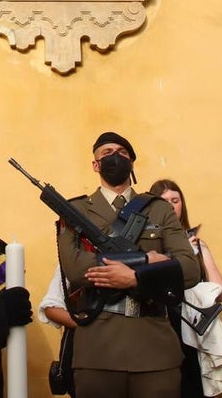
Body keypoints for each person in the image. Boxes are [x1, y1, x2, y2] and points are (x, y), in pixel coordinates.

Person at [58, 132, 201, 398]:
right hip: (98, 349)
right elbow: (75, 269)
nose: (115, 157)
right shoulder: (75, 209)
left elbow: (189, 268)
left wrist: (136, 279)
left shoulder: (159, 209)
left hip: (154, 348)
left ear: (132, 163)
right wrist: (147, 260)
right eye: (107, 153)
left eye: (122, 153)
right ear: (95, 165)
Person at [150, 179, 222, 398]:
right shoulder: (147, 247)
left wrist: (194, 254)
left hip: (192, 328)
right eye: (163, 202)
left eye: (175, 200)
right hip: (158, 328)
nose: (170, 206)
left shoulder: (196, 243)